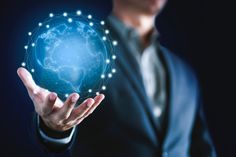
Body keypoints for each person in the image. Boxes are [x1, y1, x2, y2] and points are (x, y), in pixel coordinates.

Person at [17, 0, 217, 156]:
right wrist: (53, 128)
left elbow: (202, 148)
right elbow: (56, 113)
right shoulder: (80, 50)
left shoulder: (184, 73)